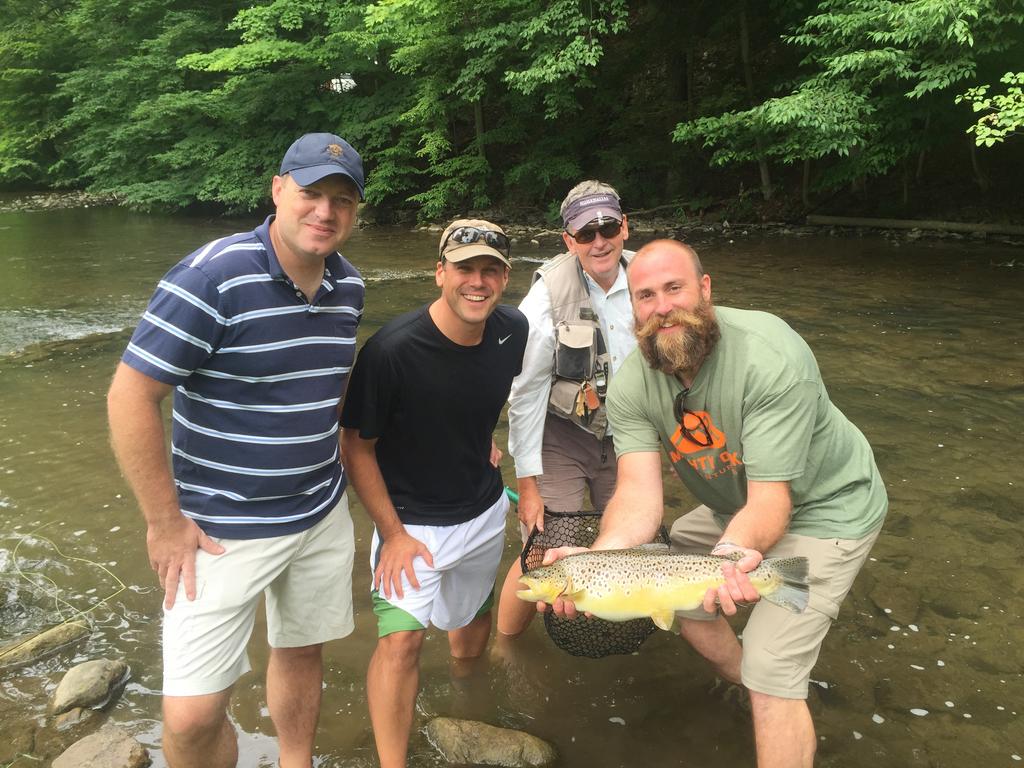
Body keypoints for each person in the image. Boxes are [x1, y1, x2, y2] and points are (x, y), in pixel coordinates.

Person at [542, 239, 888, 768]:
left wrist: (727, 559)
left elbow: (773, 501)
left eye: (674, 288)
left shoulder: (769, 356)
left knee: (773, 667)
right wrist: (594, 562)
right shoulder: (635, 380)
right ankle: (752, 684)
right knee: (679, 573)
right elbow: (637, 496)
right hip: (735, 503)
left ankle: (770, 686)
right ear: (630, 307)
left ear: (705, 290)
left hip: (829, 505)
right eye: (645, 296)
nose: (661, 307)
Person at [107, 132, 366, 768]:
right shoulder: (213, 276)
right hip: (218, 529)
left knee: (302, 649)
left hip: (318, 513)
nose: (324, 212)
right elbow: (129, 397)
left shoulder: (348, 287)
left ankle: (295, 762)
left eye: (341, 199)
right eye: (310, 193)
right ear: (278, 190)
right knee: (191, 717)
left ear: (356, 212)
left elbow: (327, 392)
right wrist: (164, 522)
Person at [339, 219, 528, 768]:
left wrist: (482, 442)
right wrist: (392, 534)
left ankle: (470, 700)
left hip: (485, 511)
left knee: (470, 627)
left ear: (505, 277)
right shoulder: (392, 351)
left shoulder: (511, 329)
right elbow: (356, 448)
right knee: (401, 643)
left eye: (489, 270)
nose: (477, 281)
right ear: (439, 271)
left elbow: (493, 396)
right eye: (464, 268)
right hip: (412, 524)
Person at [496, 180, 636, 637]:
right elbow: (526, 392)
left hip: (632, 440)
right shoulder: (545, 297)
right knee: (543, 552)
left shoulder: (654, 280)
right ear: (568, 241)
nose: (599, 241)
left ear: (625, 227)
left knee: (629, 550)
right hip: (562, 437)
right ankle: (506, 645)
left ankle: (615, 633)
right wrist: (528, 485)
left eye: (608, 227)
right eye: (585, 233)